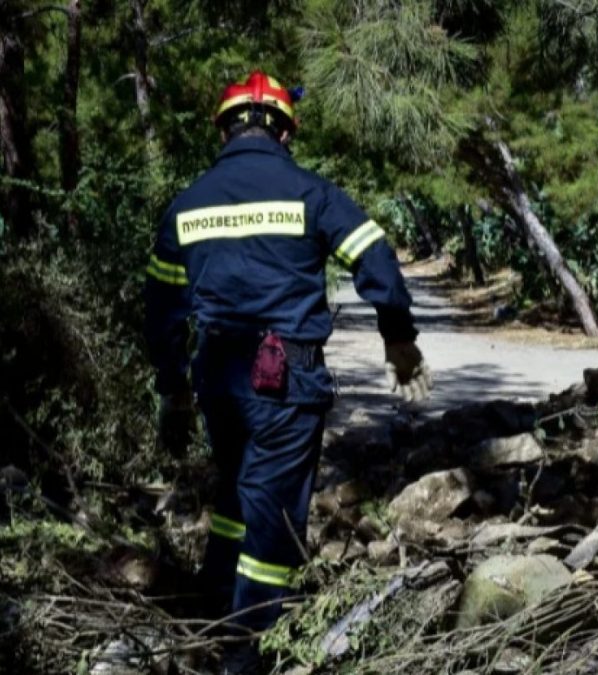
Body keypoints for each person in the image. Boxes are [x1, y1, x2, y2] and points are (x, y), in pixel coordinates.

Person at [143, 70, 432, 672]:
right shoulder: (310, 193)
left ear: (224, 131)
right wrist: (398, 338)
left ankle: (215, 601)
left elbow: (162, 311)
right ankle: (248, 650)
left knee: (237, 489)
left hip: (218, 380)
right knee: (272, 518)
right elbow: (375, 257)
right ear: (283, 132)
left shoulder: (187, 205)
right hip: (285, 380)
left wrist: (173, 392)